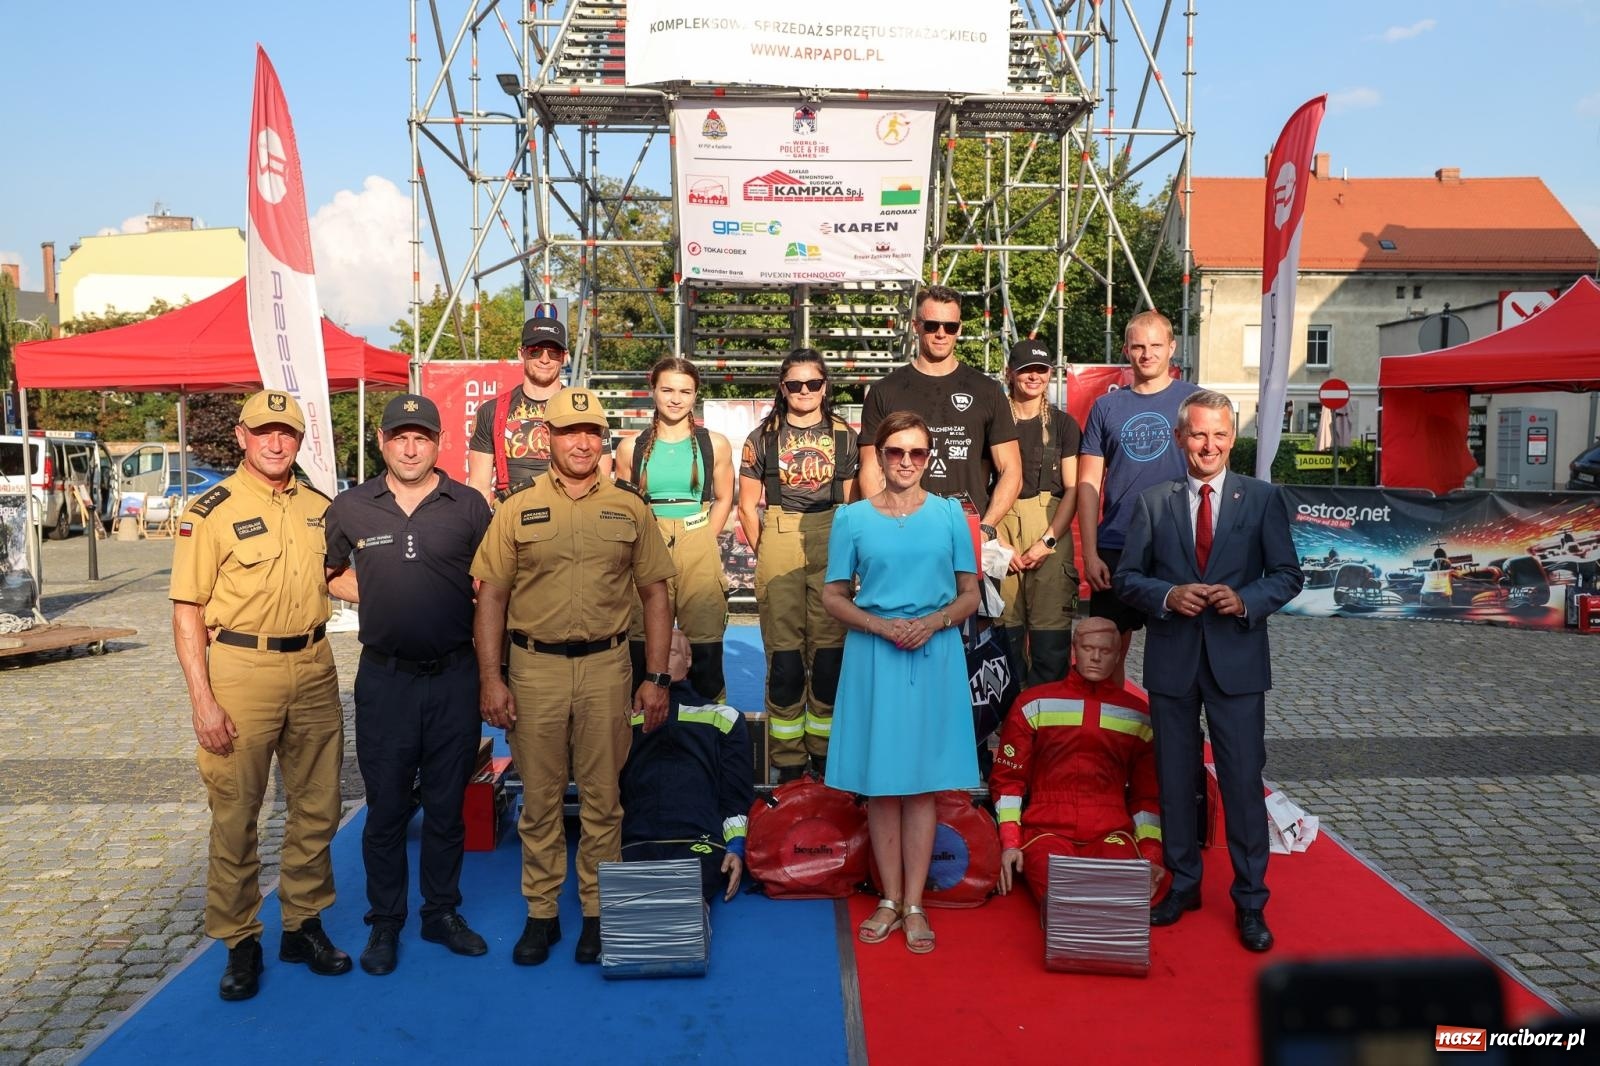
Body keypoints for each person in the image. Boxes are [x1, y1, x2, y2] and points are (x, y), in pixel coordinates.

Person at [472, 386, 675, 966]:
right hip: (533, 669)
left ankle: (595, 911)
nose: (582, 442)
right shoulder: (515, 508)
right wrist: (492, 677)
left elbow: (655, 594)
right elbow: (491, 598)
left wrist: (656, 677)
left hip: (608, 670)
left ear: (602, 439)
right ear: (549, 438)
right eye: (569, 431)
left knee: (604, 801)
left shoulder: (629, 507)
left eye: (591, 431)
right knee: (538, 802)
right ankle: (540, 914)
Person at [169, 390, 350, 1001]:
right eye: (264, 432)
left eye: (288, 434)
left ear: (300, 442)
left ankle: (302, 925)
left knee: (318, 808)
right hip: (242, 671)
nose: (276, 443)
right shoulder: (210, 510)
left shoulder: (321, 508)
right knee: (237, 813)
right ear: (242, 437)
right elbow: (187, 609)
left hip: (315, 666)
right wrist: (203, 700)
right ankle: (240, 940)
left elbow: (341, 579)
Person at [1113, 389, 1304, 953]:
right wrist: (1170, 595)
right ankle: (1184, 884)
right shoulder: (1152, 501)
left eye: (1220, 434)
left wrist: (1243, 600)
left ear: (1232, 438)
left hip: (1237, 665)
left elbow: (1288, 575)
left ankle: (1250, 902)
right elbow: (1127, 579)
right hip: (1173, 664)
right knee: (1174, 780)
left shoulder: (1261, 499)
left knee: (1243, 783)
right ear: (1180, 439)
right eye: (1199, 434)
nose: (1209, 445)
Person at [323, 394, 493, 976]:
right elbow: (325, 573)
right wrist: (380, 594)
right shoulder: (351, 507)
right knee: (388, 809)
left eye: (421, 436)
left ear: (438, 440)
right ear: (381, 440)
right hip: (385, 680)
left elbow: (492, 584)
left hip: (454, 676)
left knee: (447, 809)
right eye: (400, 437)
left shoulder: (469, 505)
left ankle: (440, 912)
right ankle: (385, 922)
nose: (411, 447)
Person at [822, 410, 981, 955]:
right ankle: (889, 899)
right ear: (880, 456)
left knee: (923, 784)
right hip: (875, 653)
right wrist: (881, 625)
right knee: (882, 784)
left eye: (917, 452)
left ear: (929, 457)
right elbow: (833, 594)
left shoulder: (950, 515)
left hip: (934, 652)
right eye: (897, 452)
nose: (907, 462)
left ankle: (914, 903)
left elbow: (970, 594)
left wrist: (933, 623)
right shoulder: (852, 518)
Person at [736, 349, 859, 783]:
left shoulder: (846, 435)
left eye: (813, 383)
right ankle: (787, 762)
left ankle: (826, 757)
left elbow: (853, 501)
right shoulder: (761, 438)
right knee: (786, 661)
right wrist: (768, 548)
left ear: (825, 387)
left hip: (833, 529)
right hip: (780, 530)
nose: (804, 392)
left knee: (828, 658)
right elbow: (748, 506)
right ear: (782, 388)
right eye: (795, 384)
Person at [990, 618, 1165, 906]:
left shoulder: (1138, 715)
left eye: (1105, 651)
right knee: (1059, 894)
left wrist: (1151, 855)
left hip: (1112, 832)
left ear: (1119, 655)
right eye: (1087, 648)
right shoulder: (1032, 703)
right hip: (1046, 830)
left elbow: (1147, 797)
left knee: (1122, 896)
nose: (1095, 657)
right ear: (1074, 649)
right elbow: (1009, 781)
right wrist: (1010, 842)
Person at [858, 285, 1021, 552]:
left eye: (950, 326)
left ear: (960, 328)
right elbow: (870, 468)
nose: (941, 334)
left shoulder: (987, 390)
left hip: (967, 534)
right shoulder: (885, 391)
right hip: (904, 533)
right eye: (932, 325)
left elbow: (1011, 469)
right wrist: (887, 525)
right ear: (916, 326)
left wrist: (986, 527)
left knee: (969, 596)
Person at [1076, 310, 1199, 655]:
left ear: (1172, 347)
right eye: (1139, 346)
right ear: (1126, 350)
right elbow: (1088, 485)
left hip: (1178, 542)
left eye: (1156, 345)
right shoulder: (1105, 407)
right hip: (1117, 544)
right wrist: (1090, 553)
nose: (1147, 354)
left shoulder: (1196, 401)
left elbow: (1214, 477)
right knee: (1106, 651)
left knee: (1178, 654)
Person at [615, 356, 734, 700]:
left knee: (706, 650)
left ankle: (708, 731)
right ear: (652, 391)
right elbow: (625, 508)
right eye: (667, 389)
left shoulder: (716, 444)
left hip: (698, 541)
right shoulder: (629, 448)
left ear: (696, 395)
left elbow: (725, 497)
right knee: (643, 643)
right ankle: (643, 736)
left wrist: (700, 538)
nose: (675, 398)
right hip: (648, 546)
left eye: (685, 391)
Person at [620, 631, 754, 905]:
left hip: (701, 840)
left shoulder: (725, 718)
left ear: (689, 659)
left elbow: (735, 795)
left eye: (670, 653)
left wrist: (736, 847)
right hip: (636, 839)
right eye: (655, 655)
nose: (662, 661)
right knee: (633, 912)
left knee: (685, 906)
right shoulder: (624, 719)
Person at [997, 339, 1082, 687]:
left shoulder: (1064, 425)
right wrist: (997, 541)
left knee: (1050, 645)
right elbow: (979, 485)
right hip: (1000, 528)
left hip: (1050, 527)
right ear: (1010, 374)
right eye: (1025, 370)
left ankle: (1047, 728)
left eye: (1041, 370)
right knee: (1005, 641)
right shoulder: (993, 421)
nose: (1034, 376)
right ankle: (1007, 726)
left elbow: (1074, 489)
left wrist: (1047, 540)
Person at [466, 317, 611, 505]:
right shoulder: (491, 411)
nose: (544, 359)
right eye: (535, 351)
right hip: (512, 521)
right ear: (521, 353)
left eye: (553, 353)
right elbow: (479, 486)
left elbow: (602, 481)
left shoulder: (586, 410)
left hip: (571, 520)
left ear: (564, 357)